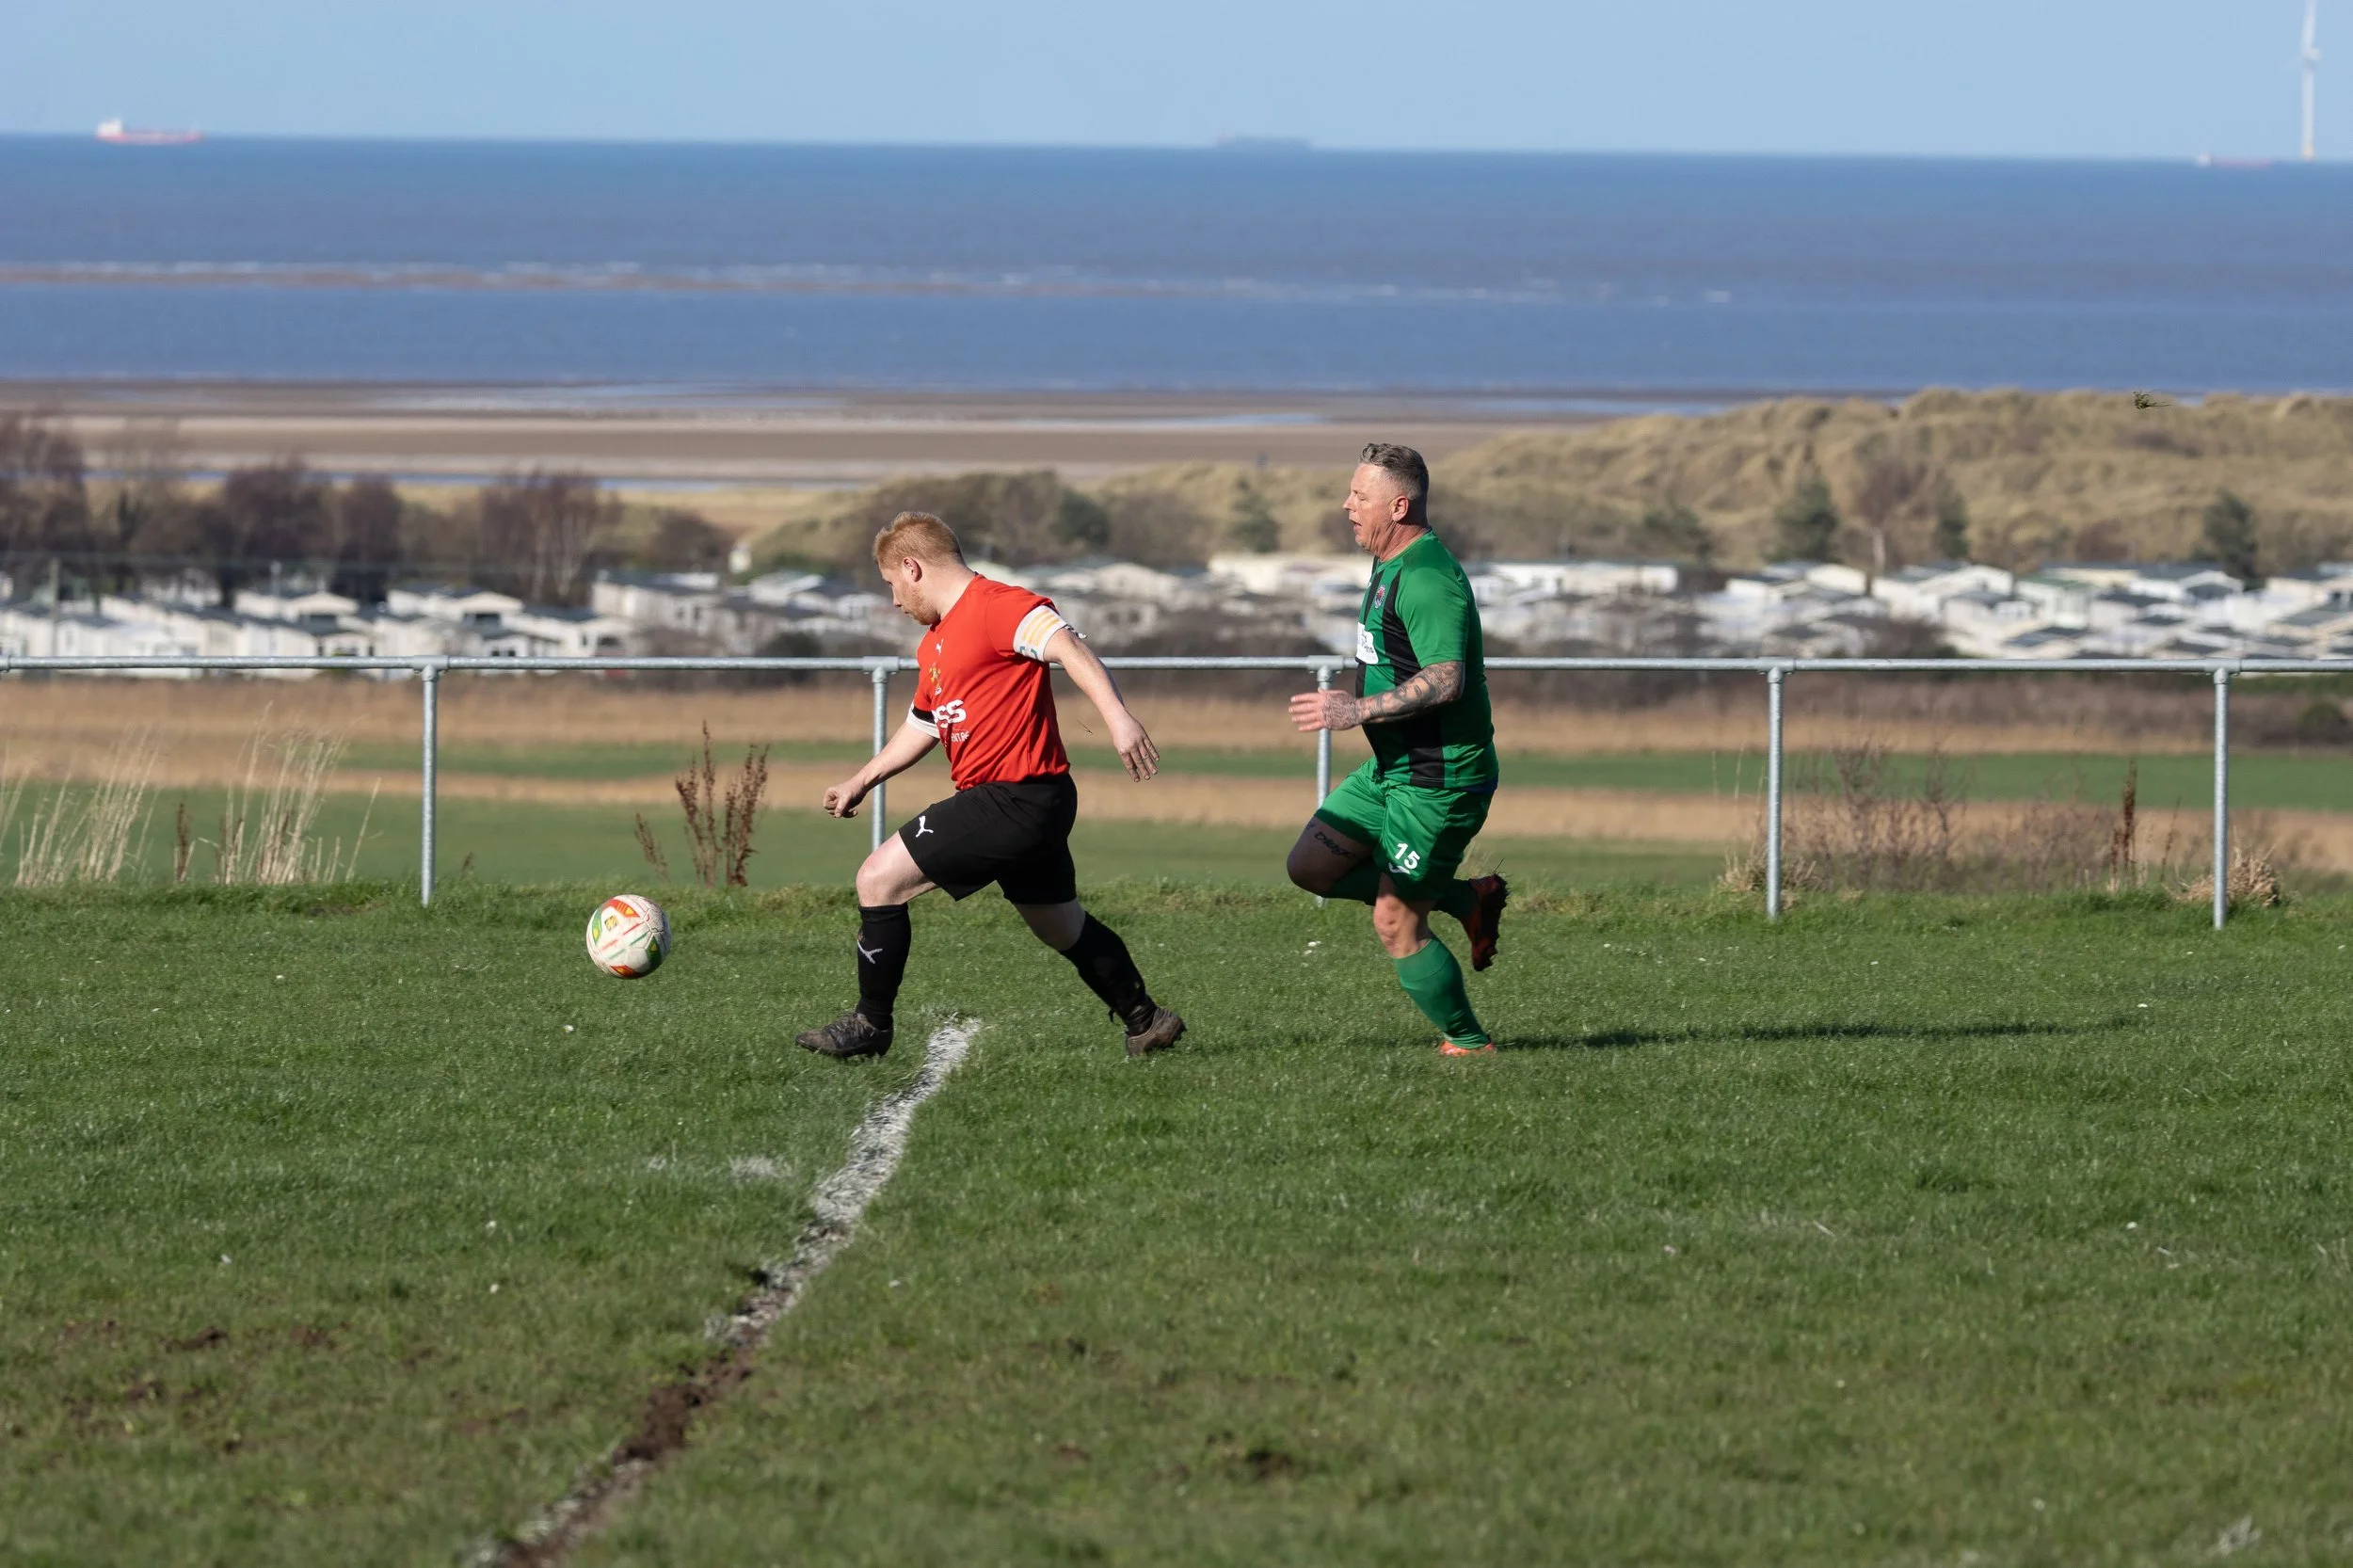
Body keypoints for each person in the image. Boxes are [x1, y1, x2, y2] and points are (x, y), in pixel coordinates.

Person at [797, 511, 1186, 1062]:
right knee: (1061, 926)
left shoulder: (997, 606)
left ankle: (871, 1024)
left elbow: (1070, 650)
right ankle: (1147, 1020)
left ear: (911, 568)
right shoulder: (934, 645)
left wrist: (1119, 719)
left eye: (891, 586)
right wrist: (862, 779)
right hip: (1031, 802)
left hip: (1014, 796)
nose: (894, 602)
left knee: (877, 879)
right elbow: (924, 725)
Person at [1285, 443, 1508, 1056]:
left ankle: (1469, 1043)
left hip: (1440, 781)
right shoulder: (1389, 562)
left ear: (1399, 504)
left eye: (1360, 496)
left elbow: (1446, 678)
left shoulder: (1429, 579)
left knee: (1395, 920)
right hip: (1393, 770)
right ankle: (1467, 897)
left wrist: (1355, 710)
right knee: (1312, 867)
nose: (1346, 505)